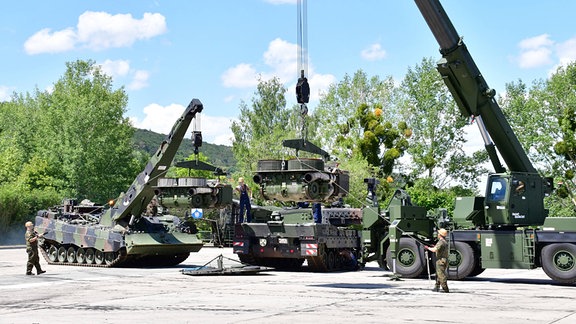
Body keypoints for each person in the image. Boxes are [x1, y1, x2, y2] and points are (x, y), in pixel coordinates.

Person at [424, 228, 449, 293]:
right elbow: (439, 248)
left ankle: (445, 289)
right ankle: (436, 287)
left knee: (441, 275)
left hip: (440, 260)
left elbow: (434, 250)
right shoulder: (445, 241)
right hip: (444, 260)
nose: (437, 234)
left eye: (438, 233)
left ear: (440, 235)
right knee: (438, 274)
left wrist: (428, 248)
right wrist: (434, 246)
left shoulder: (440, 242)